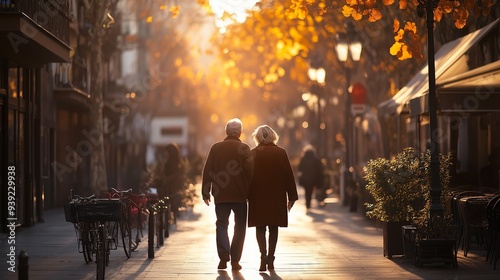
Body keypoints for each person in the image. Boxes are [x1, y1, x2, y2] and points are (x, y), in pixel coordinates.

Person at [201, 118, 254, 271]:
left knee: (221, 224)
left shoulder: (216, 148)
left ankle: (224, 255)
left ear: (226, 132)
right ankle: (235, 261)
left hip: (221, 194)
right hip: (240, 196)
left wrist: (205, 192)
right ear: (240, 133)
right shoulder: (244, 148)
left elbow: (207, 170)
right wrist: (249, 191)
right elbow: (250, 172)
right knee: (240, 228)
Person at [247, 125, 298, 271]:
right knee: (273, 227)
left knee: (260, 227)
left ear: (257, 137)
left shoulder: (253, 154)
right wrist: (292, 197)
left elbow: (248, 177)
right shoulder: (281, 153)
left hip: (258, 196)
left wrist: (246, 196)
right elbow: (288, 175)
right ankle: (271, 257)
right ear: (273, 136)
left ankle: (262, 256)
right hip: (276, 196)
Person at [298, 146, 324, 210]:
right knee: (311, 191)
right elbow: (319, 169)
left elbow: (300, 169)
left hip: (305, 179)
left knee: (307, 191)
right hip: (313, 179)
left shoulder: (303, 159)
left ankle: (308, 204)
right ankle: (309, 204)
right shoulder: (316, 159)